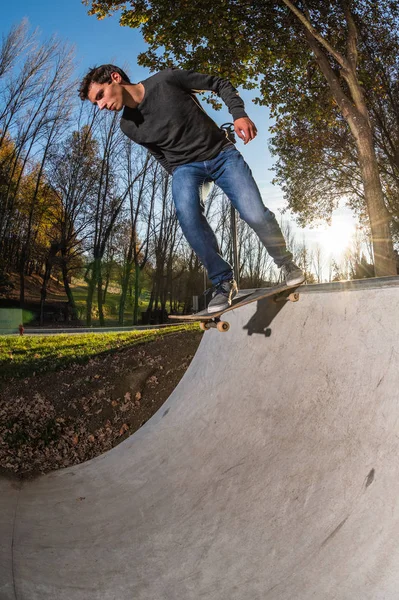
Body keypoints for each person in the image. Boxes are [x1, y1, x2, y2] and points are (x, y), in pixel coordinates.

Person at [79, 65, 305, 313]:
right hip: (185, 169)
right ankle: (223, 282)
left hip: (221, 155)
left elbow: (219, 83)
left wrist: (239, 114)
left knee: (254, 213)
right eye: (95, 103)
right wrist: (178, 176)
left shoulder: (167, 80)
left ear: (115, 78)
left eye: (100, 95)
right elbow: (158, 154)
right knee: (188, 218)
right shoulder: (128, 127)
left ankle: (286, 264)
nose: (100, 106)